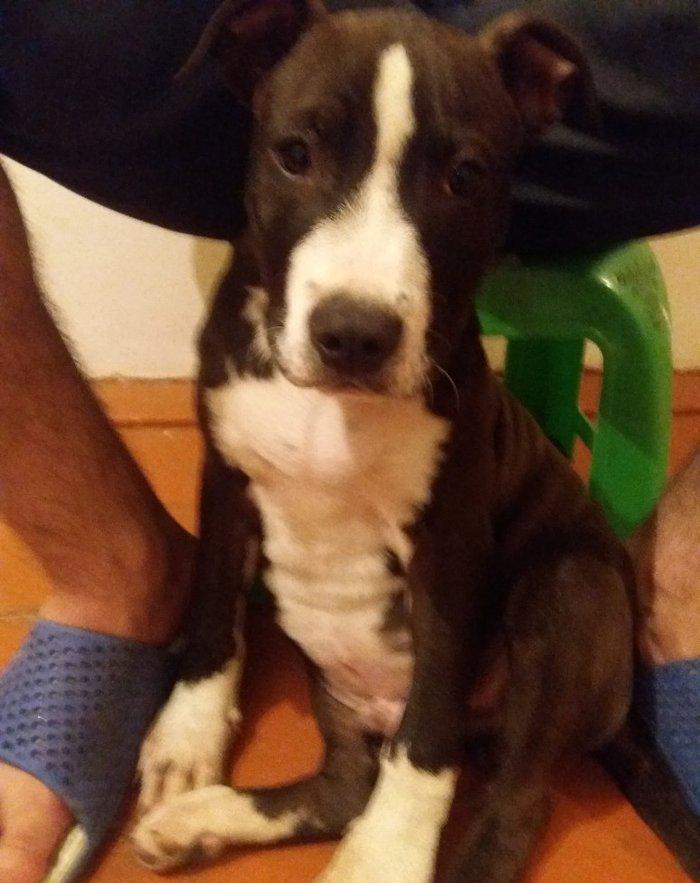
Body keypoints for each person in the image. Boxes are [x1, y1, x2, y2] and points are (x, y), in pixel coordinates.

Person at [0, 1, 697, 880]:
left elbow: (457, 559)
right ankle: (308, 766)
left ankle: (500, 822)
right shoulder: (235, 344)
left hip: (515, 624)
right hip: (365, 653)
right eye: (299, 157)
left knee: (567, 584)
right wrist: (204, 686)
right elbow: (229, 490)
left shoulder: (446, 395)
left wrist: (418, 791)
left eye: (459, 177)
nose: (363, 290)